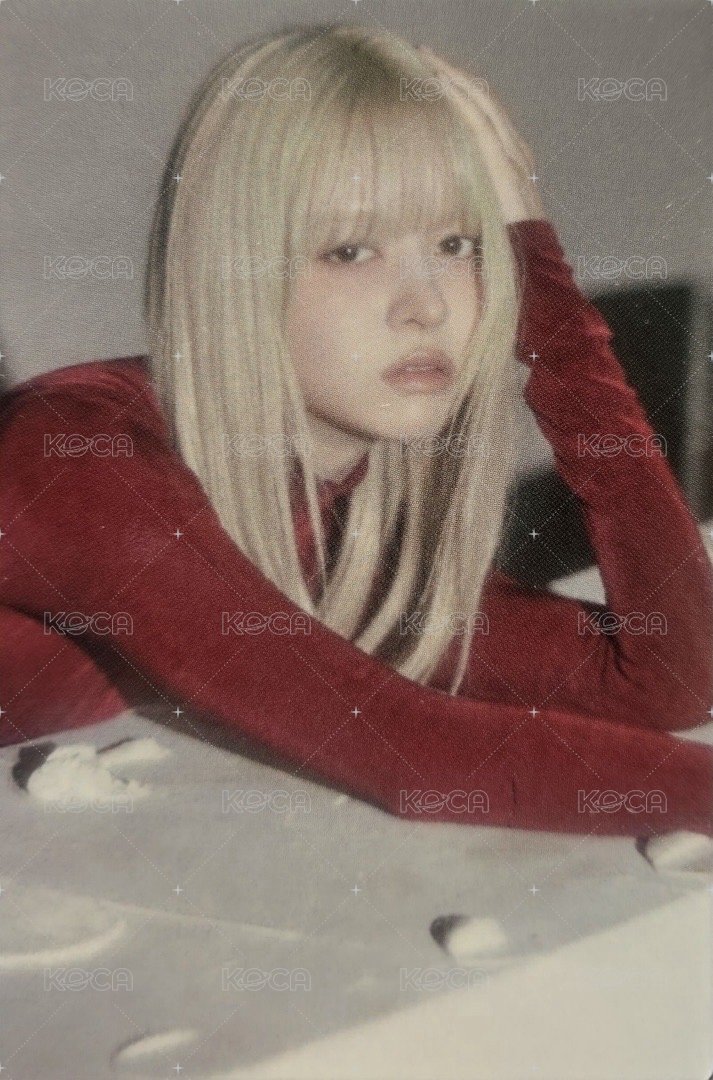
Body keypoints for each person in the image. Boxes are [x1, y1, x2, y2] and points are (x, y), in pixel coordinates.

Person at [2, 25, 712, 837]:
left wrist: (542, 288)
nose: (428, 305)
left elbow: (670, 683)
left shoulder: (336, 524)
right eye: (349, 250)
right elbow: (412, 755)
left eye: (458, 244)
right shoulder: (82, 457)